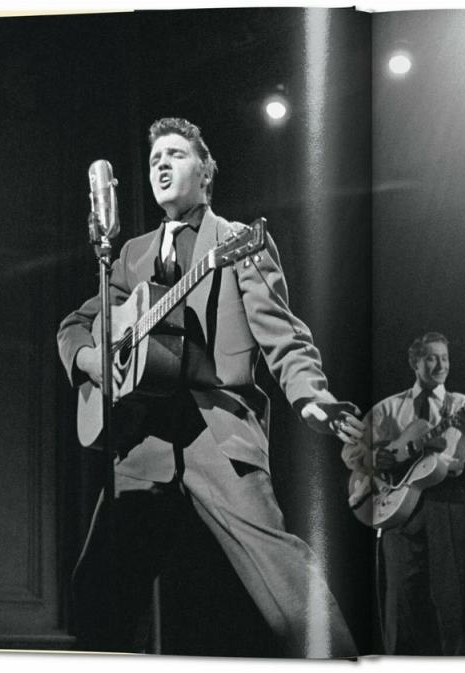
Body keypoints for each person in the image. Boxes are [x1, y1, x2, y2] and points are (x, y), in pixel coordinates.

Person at [57, 117, 364, 658]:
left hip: (214, 431)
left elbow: (284, 336)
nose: (161, 165)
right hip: (142, 440)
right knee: (96, 590)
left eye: (175, 155)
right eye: (154, 160)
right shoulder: (128, 255)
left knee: (285, 580)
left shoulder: (238, 242)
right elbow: (74, 326)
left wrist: (311, 396)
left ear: (206, 172)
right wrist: (95, 362)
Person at [341, 332, 465, 655]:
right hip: (397, 505)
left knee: (453, 600)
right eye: (431, 357)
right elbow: (350, 452)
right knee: (400, 602)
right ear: (415, 363)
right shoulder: (389, 408)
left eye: (445, 357)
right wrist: (375, 459)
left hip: (447, 502)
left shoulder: (463, 405)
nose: (440, 364)